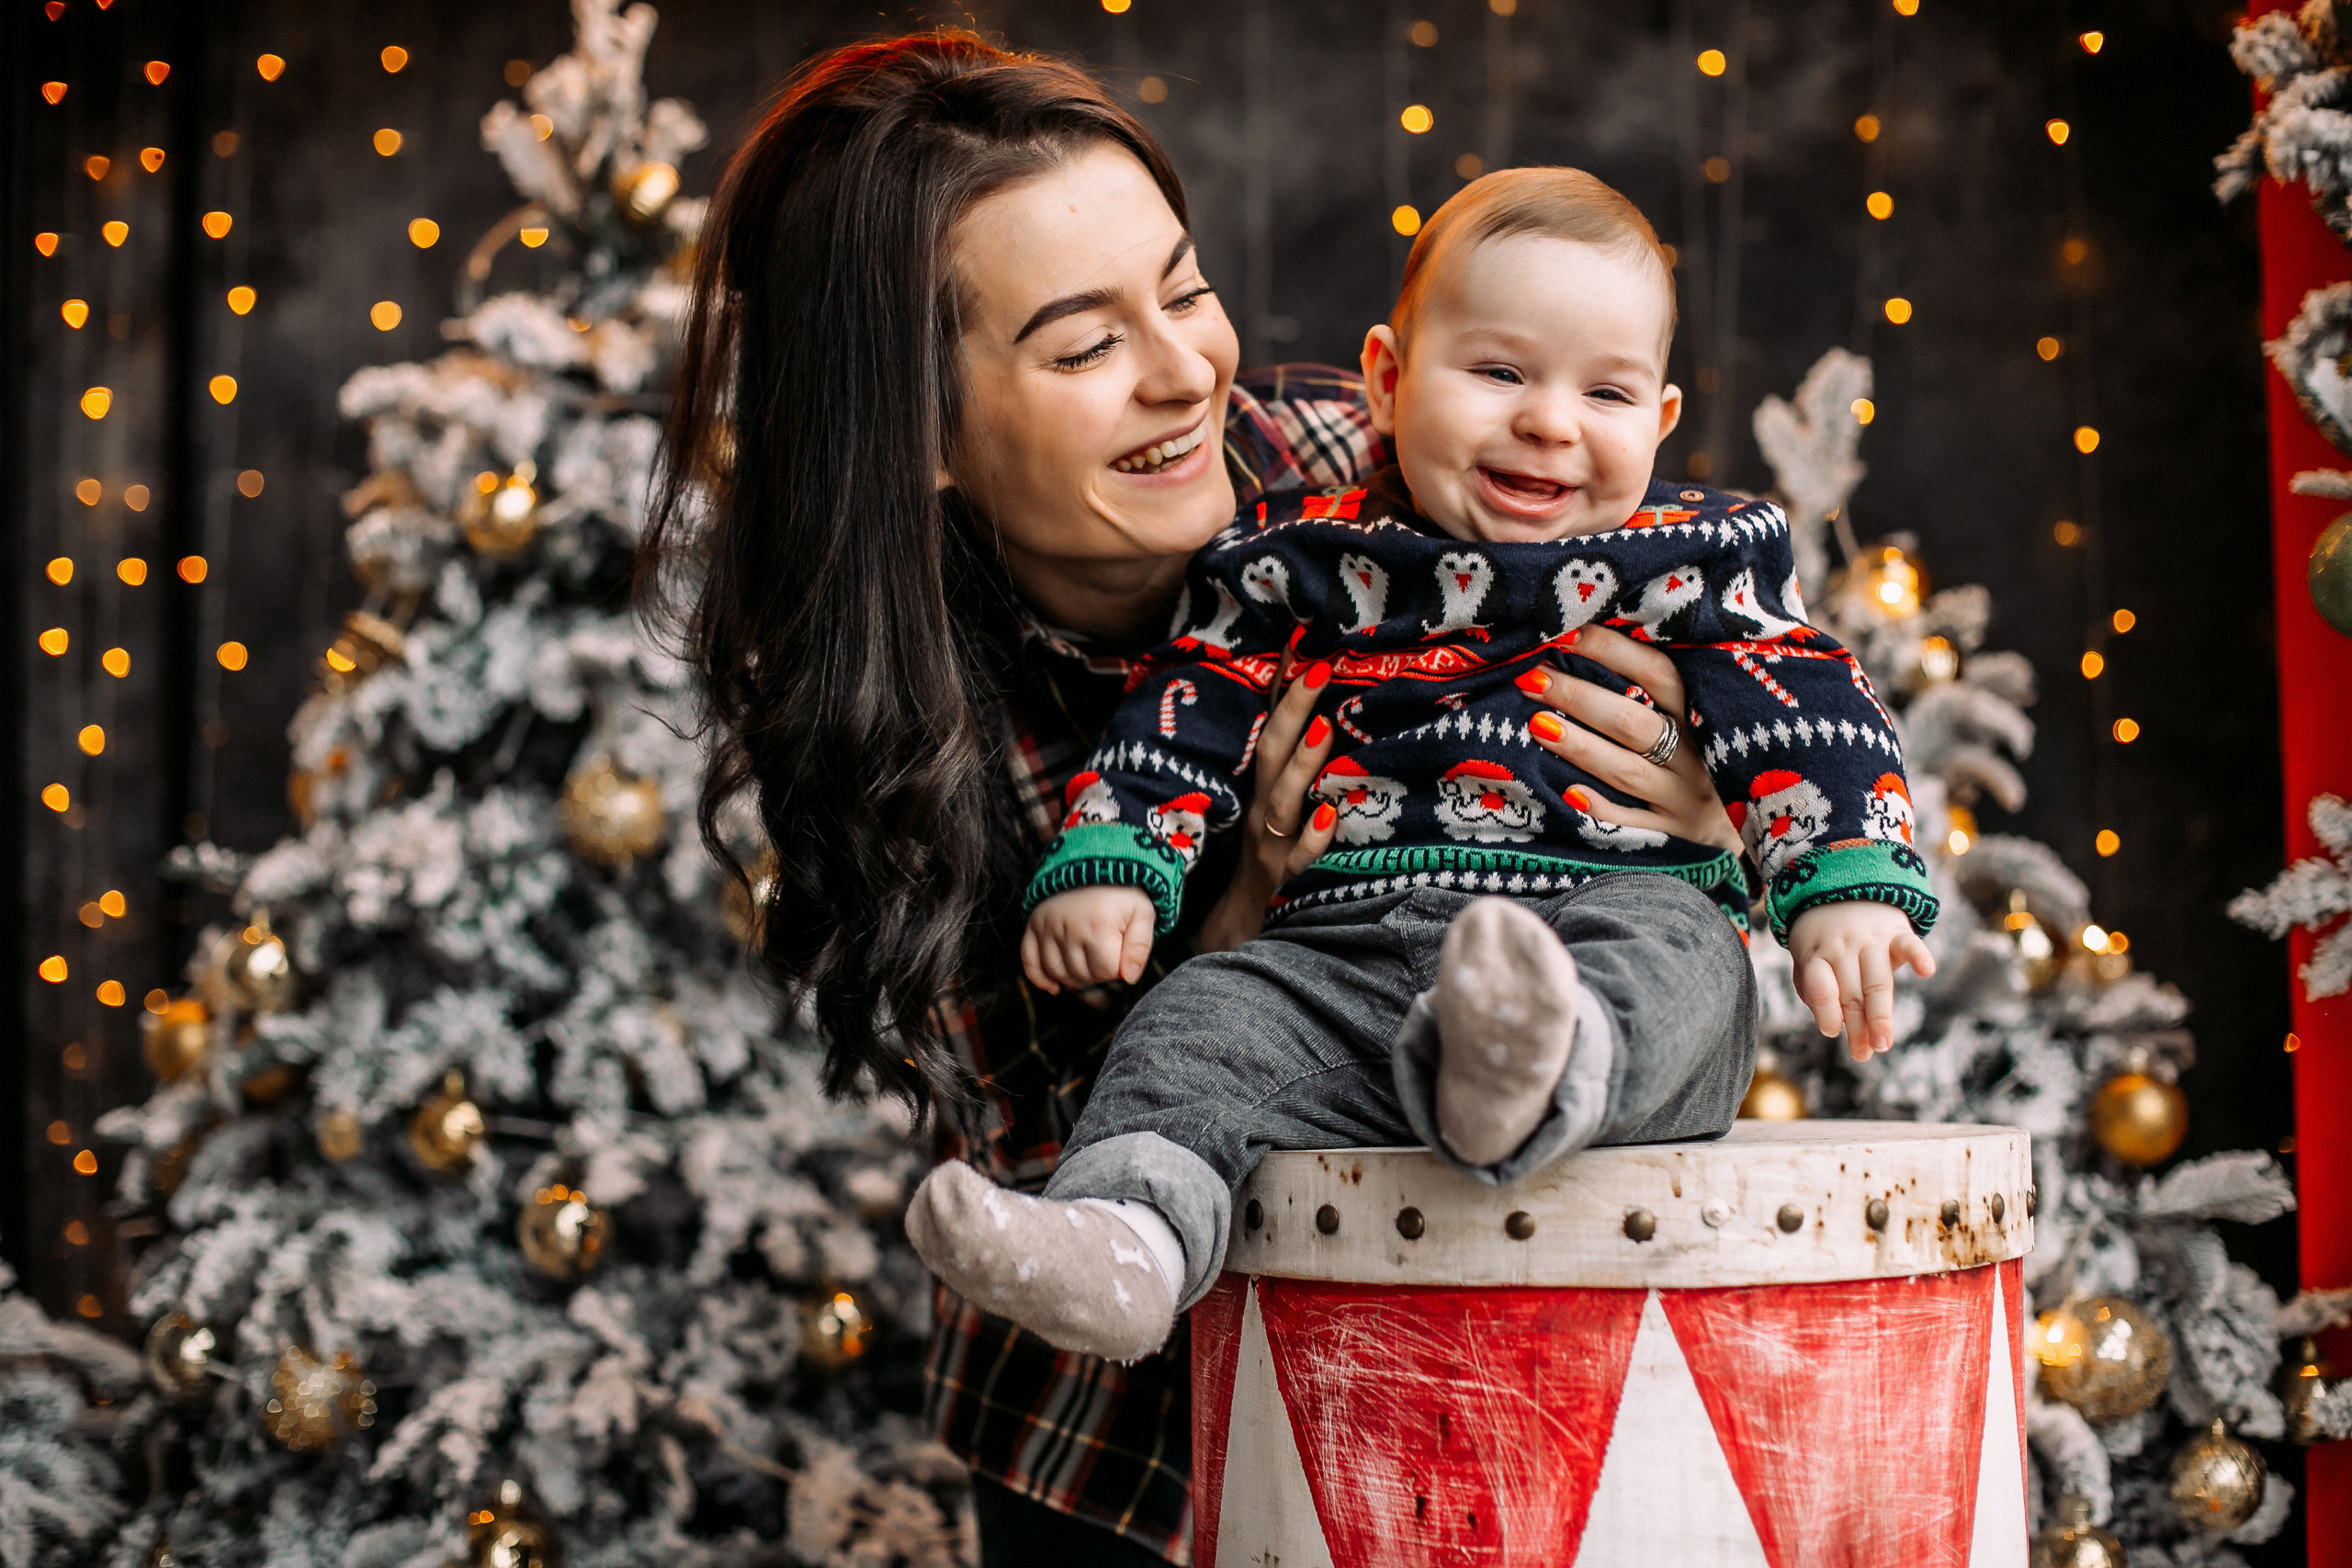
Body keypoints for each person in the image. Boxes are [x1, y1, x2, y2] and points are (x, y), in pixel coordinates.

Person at [647, 35, 1746, 1566]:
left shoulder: (1363, 475)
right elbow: (1036, 1133)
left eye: (1183, 289)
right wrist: (1235, 920)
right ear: (922, 433)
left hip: (1458, 1374)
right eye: (1083, 346)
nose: (1186, 376)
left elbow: (1730, 636)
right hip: (1118, 1447)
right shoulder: (901, 729)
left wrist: (1709, 805)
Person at [903, 167, 1941, 1363]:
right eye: (1498, 373)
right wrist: (1119, 861)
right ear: (1388, 384)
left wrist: (1844, 878)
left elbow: (1806, 697)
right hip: (1334, 966)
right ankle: (1132, 1235)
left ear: (1657, 425)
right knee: (1198, 1023)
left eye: (1602, 391)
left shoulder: (1690, 567)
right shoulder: (1309, 563)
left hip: (1599, 926)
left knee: (1685, 963)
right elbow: (1191, 698)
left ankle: (1533, 1062)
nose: (1550, 421)